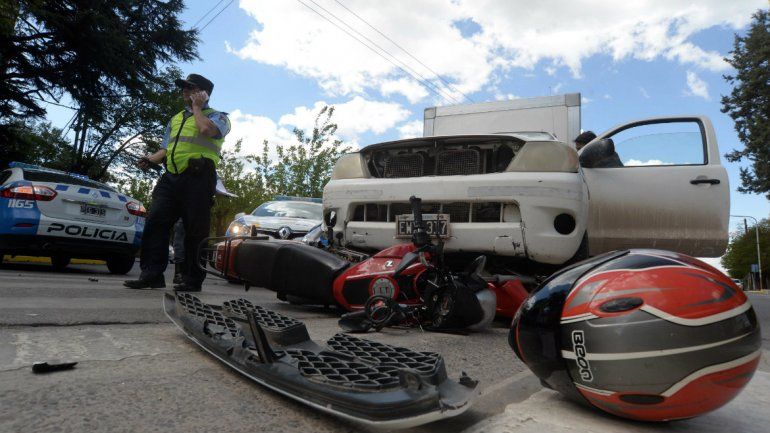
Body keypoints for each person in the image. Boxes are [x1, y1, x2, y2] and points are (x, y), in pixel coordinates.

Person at [124, 73, 230, 291]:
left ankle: (192, 280)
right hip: (171, 177)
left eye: (190, 88)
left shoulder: (219, 117)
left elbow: (206, 130)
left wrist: (197, 108)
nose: (184, 91)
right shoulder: (175, 119)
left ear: (203, 93)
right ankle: (151, 274)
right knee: (155, 222)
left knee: (195, 229)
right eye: (184, 87)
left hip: (199, 176)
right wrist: (149, 158)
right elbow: (166, 148)